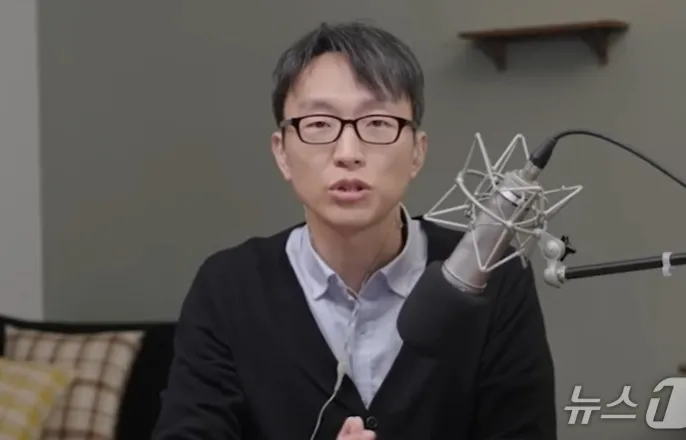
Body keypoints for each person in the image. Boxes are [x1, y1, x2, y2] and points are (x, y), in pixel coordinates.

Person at [151, 21, 557, 440]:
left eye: (377, 122)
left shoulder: (493, 275)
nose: (348, 153)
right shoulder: (229, 287)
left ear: (417, 153)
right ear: (282, 153)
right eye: (319, 124)